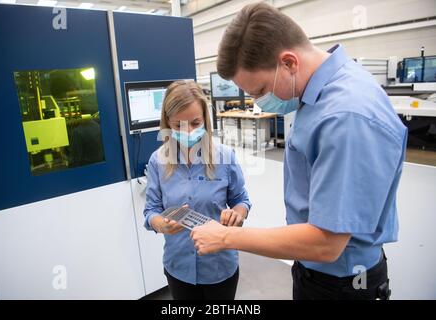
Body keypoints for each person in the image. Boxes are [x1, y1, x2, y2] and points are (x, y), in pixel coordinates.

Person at [191, 2, 407, 300]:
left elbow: (326, 244)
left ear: (289, 63)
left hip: (343, 284)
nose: (257, 102)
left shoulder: (345, 116)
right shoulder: (320, 93)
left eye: (259, 90)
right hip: (315, 271)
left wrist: (228, 237)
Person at [143, 80, 251, 300]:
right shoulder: (158, 161)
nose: (189, 131)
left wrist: (236, 215)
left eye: (195, 122)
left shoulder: (225, 156)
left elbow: (242, 200)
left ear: (205, 119)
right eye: (179, 125)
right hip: (179, 266)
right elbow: (151, 209)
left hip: (219, 267)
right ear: (167, 123)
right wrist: (160, 224)